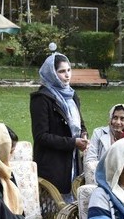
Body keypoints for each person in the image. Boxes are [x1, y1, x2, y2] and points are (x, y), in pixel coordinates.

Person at [30, 52, 88, 201]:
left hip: (73, 160)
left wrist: (83, 134)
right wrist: (72, 142)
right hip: (53, 164)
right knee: (56, 204)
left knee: (73, 201)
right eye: (62, 71)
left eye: (69, 70)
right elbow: (41, 136)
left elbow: (79, 123)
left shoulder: (72, 95)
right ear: (52, 74)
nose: (67, 75)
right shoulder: (41, 99)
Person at [84, 103, 124, 185]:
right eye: (115, 118)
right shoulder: (99, 133)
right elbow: (90, 160)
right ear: (111, 118)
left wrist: (122, 139)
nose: (118, 122)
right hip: (99, 179)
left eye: (122, 119)